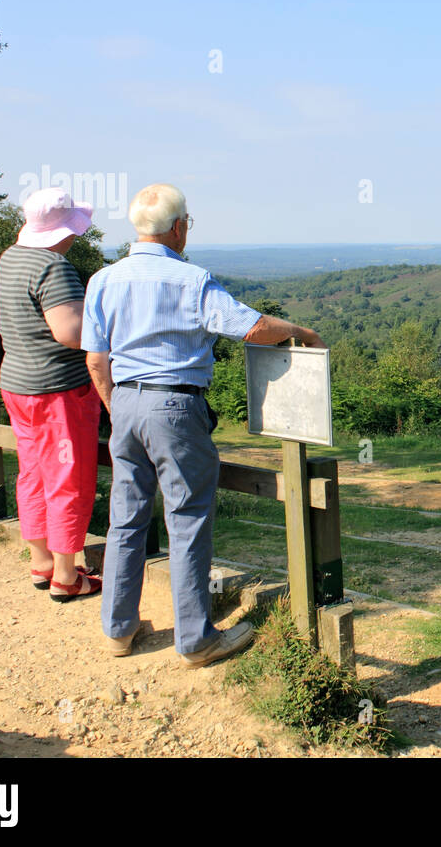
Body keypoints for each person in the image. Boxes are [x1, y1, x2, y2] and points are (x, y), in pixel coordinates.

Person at [82, 183, 326, 665]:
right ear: (178, 228)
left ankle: (118, 629)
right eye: (187, 224)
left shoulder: (102, 281)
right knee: (188, 519)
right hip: (176, 405)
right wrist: (301, 332)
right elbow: (251, 327)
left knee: (125, 518)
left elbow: (95, 360)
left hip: (125, 403)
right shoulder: (191, 281)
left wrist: (118, 407)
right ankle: (195, 639)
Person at [0, 187, 103, 602]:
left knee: (34, 473)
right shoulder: (54, 266)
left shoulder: (10, 257)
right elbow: (69, 333)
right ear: (64, 228)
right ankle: (66, 575)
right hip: (58, 390)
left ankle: (40, 562)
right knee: (68, 478)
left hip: (17, 384)